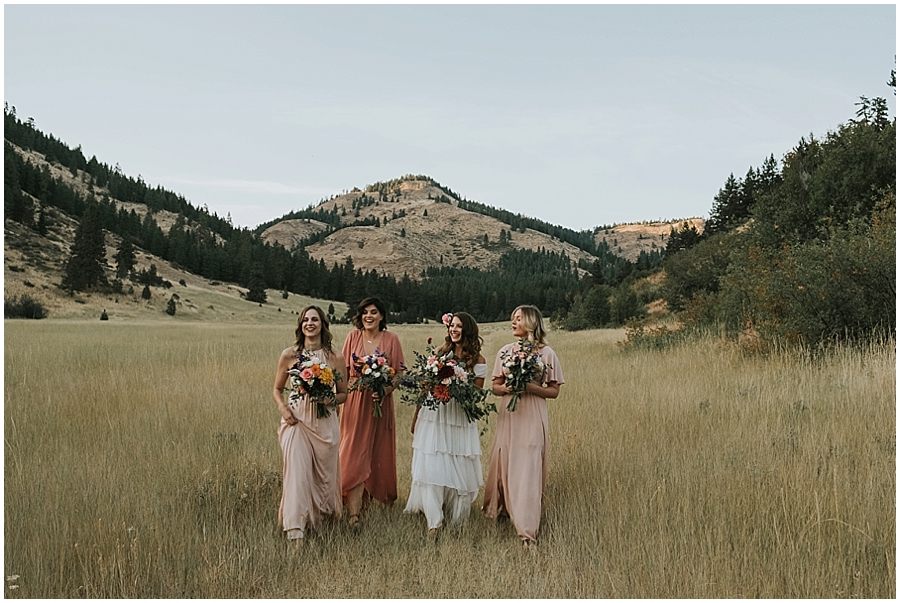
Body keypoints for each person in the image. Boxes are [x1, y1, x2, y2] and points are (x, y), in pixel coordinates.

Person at [482, 304, 564, 549]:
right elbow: (495, 386)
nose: (513, 322)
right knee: (505, 460)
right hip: (509, 413)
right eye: (512, 319)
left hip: (532, 415)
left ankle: (527, 531)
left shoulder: (546, 354)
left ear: (530, 321)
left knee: (528, 466)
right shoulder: (505, 352)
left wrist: (531, 388)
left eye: (518, 318)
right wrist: (510, 388)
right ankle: (502, 511)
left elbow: (554, 391)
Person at [404, 312, 487, 535]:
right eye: (452, 325)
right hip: (434, 416)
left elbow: (476, 394)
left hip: (458, 417)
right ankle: (434, 522)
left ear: (468, 330)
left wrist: (458, 385)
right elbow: (424, 388)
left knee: (460, 465)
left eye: (459, 326)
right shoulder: (439, 354)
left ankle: (458, 519)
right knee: (431, 466)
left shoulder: (478, 361)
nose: (454, 329)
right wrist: (416, 417)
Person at [272, 305, 348, 547]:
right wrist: (283, 409)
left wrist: (329, 399)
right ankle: (296, 532)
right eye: (305, 319)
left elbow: (344, 394)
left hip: (325, 422)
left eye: (314, 319)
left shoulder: (335, 356)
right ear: (300, 324)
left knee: (323, 478)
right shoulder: (290, 355)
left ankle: (321, 523)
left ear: (322, 324)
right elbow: (277, 389)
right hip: (296, 421)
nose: (310, 323)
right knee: (297, 474)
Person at [339, 297, 405, 527]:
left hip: (380, 402)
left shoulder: (391, 339)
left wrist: (386, 389)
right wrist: (341, 400)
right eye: (365, 312)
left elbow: (398, 373)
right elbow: (344, 371)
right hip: (355, 401)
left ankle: (369, 504)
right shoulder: (352, 337)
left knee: (377, 452)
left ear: (382, 316)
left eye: (374, 312)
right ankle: (353, 514)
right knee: (354, 452)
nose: (369, 316)